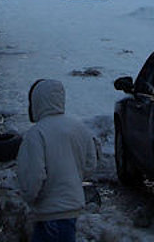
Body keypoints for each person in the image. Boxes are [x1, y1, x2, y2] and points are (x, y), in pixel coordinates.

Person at [17, 79, 97, 242]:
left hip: (48, 211)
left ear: (36, 102)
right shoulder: (78, 127)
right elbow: (90, 164)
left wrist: (29, 197)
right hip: (72, 209)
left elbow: (34, 175)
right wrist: (74, 177)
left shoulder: (36, 134)